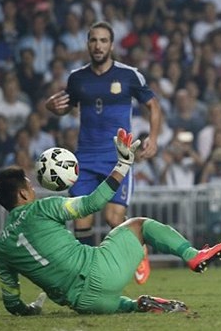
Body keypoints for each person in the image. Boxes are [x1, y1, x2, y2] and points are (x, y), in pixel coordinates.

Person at [0, 128, 221, 315]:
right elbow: (91, 204)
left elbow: (11, 301)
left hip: (83, 302)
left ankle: (137, 305)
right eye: (28, 184)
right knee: (140, 225)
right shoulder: (42, 207)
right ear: (23, 194)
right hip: (99, 271)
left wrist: (30, 310)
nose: (32, 186)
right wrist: (122, 165)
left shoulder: (3, 247)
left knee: (116, 304)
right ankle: (193, 255)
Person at [45, 21, 162, 285]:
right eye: (93, 40)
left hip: (116, 158)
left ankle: (140, 250)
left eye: (103, 41)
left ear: (111, 44)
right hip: (84, 158)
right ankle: (86, 275)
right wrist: (52, 108)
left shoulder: (130, 75)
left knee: (113, 218)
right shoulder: (77, 78)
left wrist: (152, 138)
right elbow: (67, 107)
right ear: (87, 44)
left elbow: (153, 106)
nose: (98, 46)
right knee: (81, 220)